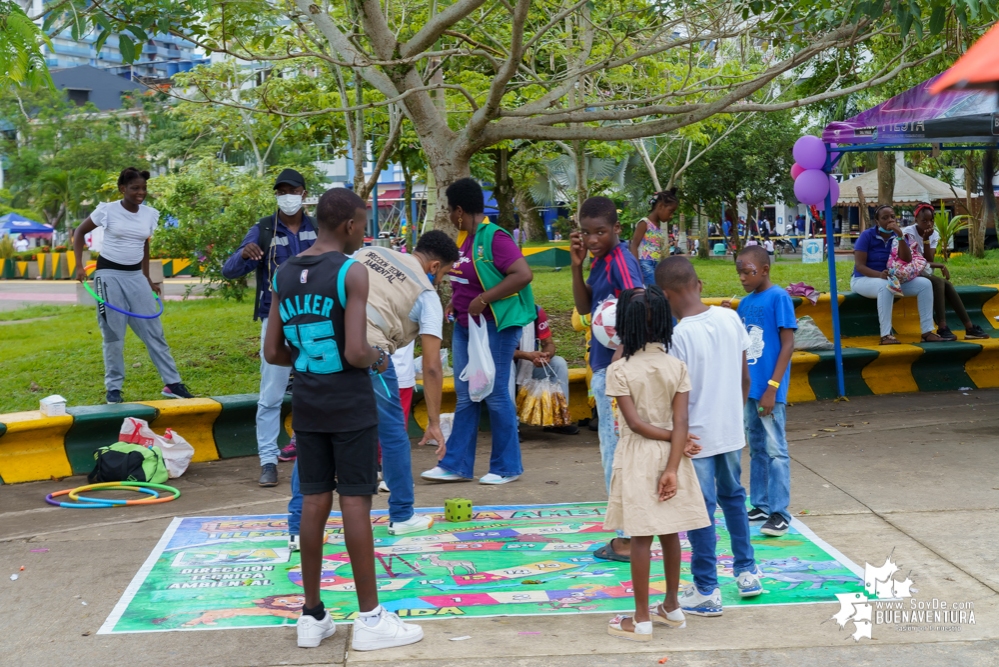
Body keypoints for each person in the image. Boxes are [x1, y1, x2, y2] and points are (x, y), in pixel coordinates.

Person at [264, 187, 424, 652]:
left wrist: (311, 355)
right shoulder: (352, 271)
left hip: (309, 404)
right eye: (362, 223)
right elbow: (356, 350)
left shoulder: (285, 273)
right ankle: (371, 617)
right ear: (350, 226)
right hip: (350, 404)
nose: (364, 232)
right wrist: (378, 357)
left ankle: (311, 614)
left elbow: (274, 351)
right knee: (356, 503)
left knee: (314, 502)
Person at [657, 257, 763, 617]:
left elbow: (677, 398)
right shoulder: (730, 317)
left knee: (700, 512)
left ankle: (706, 588)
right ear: (699, 283)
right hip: (731, 428)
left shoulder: (678, 335)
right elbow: (745, 376)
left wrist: (676, 438)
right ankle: (747, 572)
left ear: (666, 295)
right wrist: (737, 415)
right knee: (734, 497)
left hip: (695, 438)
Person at [602, 287, 709, 641]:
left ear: (625, 326)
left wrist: (672, 441)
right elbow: (681, 424)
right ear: (665, 321)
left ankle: (642, 618)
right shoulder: (677, 366)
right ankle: (672, 606)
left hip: (637, 457)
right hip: (672, 458)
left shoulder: (619, 370)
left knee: (640, 539)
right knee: (671, 532)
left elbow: (634, 424)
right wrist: (674, 461)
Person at [421, 178, 534, 485]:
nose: (447, 214)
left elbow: (523, 274)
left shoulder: (494, 237)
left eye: (449, 209)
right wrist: (456, 305)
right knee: (466, 395)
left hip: (495, 325)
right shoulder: (464, 239)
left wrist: (482, 299)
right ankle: (456, 464)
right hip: (465, 325)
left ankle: (507, 467)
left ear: (459, 209)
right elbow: (465, 279)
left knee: (496, 395)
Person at [354, 230, 458, 530]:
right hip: (370, 355)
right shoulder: (426, 294)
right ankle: (402, 515)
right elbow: (432, 366)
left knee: (317, 433)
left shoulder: (369, 252)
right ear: (435, 266)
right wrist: (434, 422)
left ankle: (297, 526)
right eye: (444, 274)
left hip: (327, 349)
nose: (440, 282)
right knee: (394, 434)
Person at [223, 169, 317, 487]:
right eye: (280, 191)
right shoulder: (264, 228)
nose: (286, 196)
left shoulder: (317, 229)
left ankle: (315, 454)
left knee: (318, 389)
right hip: (275, 320)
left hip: (316, 320)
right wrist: (243, 254)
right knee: (271, 393)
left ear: (304, 193)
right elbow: (229, 270)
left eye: (292, 190)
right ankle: (267, 460)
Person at [72, 167, 193, 404]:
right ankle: (114, 389)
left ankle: (172, 383)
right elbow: (79, 232)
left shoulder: (149, 214)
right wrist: (79, 265)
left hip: (135, 276)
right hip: (108, 275)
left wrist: (146, 277)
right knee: (114, 334)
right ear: (123, 189)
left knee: (154, 331)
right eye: (135, 188)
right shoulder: (107, 210)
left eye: (144, 188)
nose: (141, 192)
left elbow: (144, 245)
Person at [569, 196, 643, 562]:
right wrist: (577, 267)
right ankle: (629, 532)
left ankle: (628, 539)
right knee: (612, 452)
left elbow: (639, 300)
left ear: (616, 229)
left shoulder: (621, 260)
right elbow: (585, 310)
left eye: (601, 231)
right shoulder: (598, 262)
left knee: (617, 454)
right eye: (587, 232)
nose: (593, 238)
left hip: (616, 371)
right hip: (603, 368)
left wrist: (624, 349)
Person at [724, 245, 796, 537]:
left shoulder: (779, 297)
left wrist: (773, 387)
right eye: (739, 272)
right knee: (756, 448)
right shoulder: (745, 302)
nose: (742, 277)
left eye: (748, 272)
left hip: (769, 389)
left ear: (764, 270)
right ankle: (762, 504)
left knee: (776, 450)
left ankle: (780, 512)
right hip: (749, 389)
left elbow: (788, 344)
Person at [850, 205, 942, 346]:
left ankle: (927, 332)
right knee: (885, 286)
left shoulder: (899, 236)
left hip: (891, 279)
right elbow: (860, 266)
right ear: (877, 221)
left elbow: (907, 259)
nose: (890, 220)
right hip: (863, 279)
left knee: (925, 284)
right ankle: (886, 335)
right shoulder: (867, 235)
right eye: (885, 218)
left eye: (892, 216)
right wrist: (879, 275)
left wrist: (899, 236)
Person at [905, 204, 989, 341]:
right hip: (909, 272)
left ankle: (969, 327)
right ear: (916, 220)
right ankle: (942, 327)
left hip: (923, 272)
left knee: (947, 285)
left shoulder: (934, 234)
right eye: (924, 221)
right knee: (938, 282)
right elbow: (913, 261)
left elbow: (928, 259)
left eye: (931, 220)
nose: (928, 223)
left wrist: (926, 240)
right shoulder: (908, 233)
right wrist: (940, 265)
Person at [510, 305, 579, 435]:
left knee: (558, 363)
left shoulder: (535, 311)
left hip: (529, 364)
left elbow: (548, 343)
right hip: (503, 366)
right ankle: (511, 427)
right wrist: (527, 355)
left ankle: (557, 420)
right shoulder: (501, 310)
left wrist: (546, 356)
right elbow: (497, 350)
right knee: (507, 367)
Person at [629, 190, 677, 286]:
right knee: (654, 291)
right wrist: (637, 270)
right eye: (670, 211)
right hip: (645, 264)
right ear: (660, 206)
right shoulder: (644, 223)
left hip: (656, 264)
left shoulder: (657, 226)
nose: (671, 216)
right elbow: (633, 245)